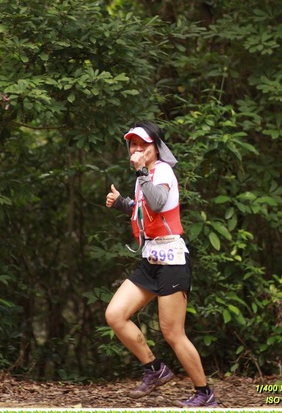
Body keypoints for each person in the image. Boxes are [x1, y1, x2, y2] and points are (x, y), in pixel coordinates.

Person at [104, 121, 217, 408]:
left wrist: (142, 172)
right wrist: (121, 203)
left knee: (173, 333)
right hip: (151, 260)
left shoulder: (162, 170)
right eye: (133, 144)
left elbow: (157, 203)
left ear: (156, 147)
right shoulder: (144, 175)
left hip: (172, 261)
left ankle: (204, 393)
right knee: (115, 314)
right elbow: (145, 211)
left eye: (143, 144)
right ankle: (155, 369)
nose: (137, 149)